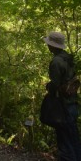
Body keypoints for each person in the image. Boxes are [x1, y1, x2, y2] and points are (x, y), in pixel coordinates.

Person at [43, 31, 81, 161]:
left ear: (53, 46)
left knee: (64, 141)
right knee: (73, 139)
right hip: (73, 104)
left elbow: (55, 85)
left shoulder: (56, 62)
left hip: (63, 107)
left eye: (49, 44)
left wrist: (49, 86)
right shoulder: (68, 58)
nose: (48, 46)